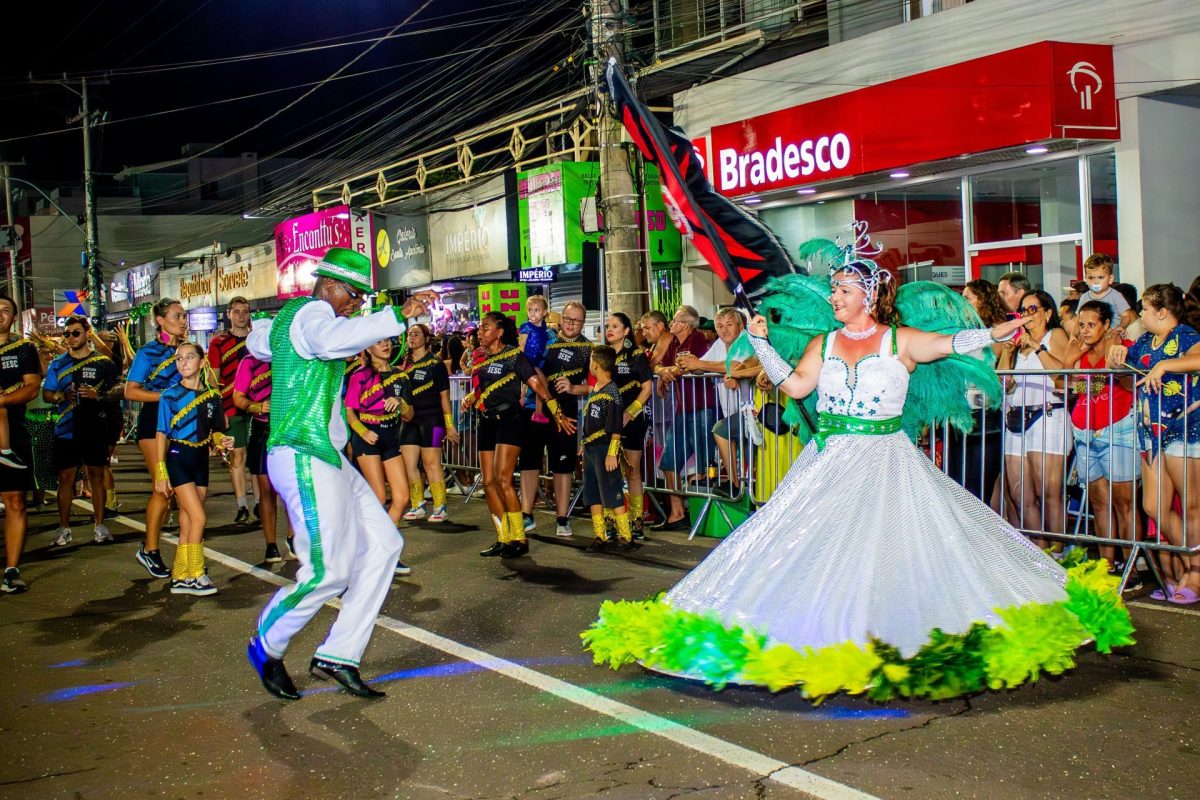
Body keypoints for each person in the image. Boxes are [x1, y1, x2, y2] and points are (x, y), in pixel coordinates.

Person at [582, 246, 1133, 701]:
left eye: (844, 290)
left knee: (893, 549)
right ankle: (822, 635)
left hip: (888, 460)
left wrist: (1001, 331)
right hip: (830, 461)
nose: (835, 297)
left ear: (868, 296)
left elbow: (951, 344)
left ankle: (893, 636)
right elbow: (796, 387)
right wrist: (767, 345)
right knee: (810, 547)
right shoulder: (824, 343)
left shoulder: (899, 341)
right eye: (835, 290)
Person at [245, 247, 425, 701]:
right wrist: (395, 316)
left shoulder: (295, 320)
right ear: (328, 285)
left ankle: (339, 654)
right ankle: (267, 643)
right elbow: (327, 340)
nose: (357, 303)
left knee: (385, 544)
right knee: (327, 569)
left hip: (324, 454)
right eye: (354, 294)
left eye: (363, 298)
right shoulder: (311, 314)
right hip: (302, 451)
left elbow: (259, 341)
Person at [1109, 283, 1200, 605]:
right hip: (1151, 433)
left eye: (1146, 309)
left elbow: (1197, 359)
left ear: (1162, 312)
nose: (1142, 314)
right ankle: (1192, 562)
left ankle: (1195, 571)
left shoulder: (1185, 335)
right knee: (1153, 506)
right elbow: (1124, 378)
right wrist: (1117, 358)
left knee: (1191, 507)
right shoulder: (1147, 340)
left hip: (1185, 429)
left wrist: (1164, 365)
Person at [461, 311, 575, 558]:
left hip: (511, 421)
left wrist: (556, 411)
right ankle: (503, 537)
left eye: (485, 328)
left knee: (503, 479)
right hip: (486, 421)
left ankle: (519, 539)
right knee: (489, 481)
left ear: (499, 332)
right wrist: (471, 398)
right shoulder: (480, 358)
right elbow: (484, 388)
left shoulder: (515, 356)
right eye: (480, 328)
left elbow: (537, 385)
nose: (480, 332)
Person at [1064, 300, 1137, 572]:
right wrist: (1071, 358)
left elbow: (1130, 384)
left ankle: (1131, 565)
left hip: (1117, 431)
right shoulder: (1079, 350)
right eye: (1081, 324)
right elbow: (1064, 382)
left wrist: (1110, 360)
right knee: (1099, 501)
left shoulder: (1120, 347)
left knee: (1123, 502)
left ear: (1107, 325)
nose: (1084, 330)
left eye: (1091, 324)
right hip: (1085, 433)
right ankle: (1107, 564)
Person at [996, 289, 1072, 549]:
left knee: (1048, 492)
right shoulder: (1019, 344)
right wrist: (1007, 352)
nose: (1026, 316)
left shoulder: (1056, 336)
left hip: (1049, 415)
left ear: (1048, 313)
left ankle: (1059, 551)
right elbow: (1005, 384)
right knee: (1020, 493)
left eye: (1032, 309)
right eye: (1023, 311)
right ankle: (1040, 551)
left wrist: (1038, 348)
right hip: (1017, 419)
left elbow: (1063, 376)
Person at [155, 342, 232, 596]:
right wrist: (160, 470)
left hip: (201, 459)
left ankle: (180, 575)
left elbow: (216, 430)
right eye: (179, 358)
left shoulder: (213, 395)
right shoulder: (169, 395)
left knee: (189, 519)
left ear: (202, 361)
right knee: (199, 517)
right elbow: (161, 434)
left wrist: (223, 440)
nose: (183, 362)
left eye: (189, 357)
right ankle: (197, 573)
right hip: (178, 457)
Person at [43, 315, 120, 547]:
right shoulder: (58, 363)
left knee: (96, 476)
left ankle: (100, 525)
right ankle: (64, 528)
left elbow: (119, 387)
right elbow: (47, 394)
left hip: (95, 426)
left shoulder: (102, 362)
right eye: (66, 334)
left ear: (87, 333)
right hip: (66, 428)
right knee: (65, 479)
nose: (70, 338)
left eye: (75, 333)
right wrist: (60, 396)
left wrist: (101, 395)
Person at [125, 298, 186, 579]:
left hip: (183, 423)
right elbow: (131, 391)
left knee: (183, 489)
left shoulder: (188, 351)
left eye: (184, 316)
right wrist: (166, 396)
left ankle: (188, 559)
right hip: (153, 423)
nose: (182, 320)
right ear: (161, 320)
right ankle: (149, 549)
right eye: (176, 316)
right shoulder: (147, 353)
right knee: (163, 487)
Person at [518, 302, 591, 537]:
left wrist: (573, 387)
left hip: (566, 412)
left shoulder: (588, 348)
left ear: (583, 323)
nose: (571, 324)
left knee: (563, 466)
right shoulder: (545, 338)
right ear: (560, 319)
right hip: (535, 408)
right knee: (530, 462)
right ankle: (526, 515)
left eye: (576, 321)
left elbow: (595, 384)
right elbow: (526, 363)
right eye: (568, 319)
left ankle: (562, 518)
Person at [677, 308, 759, 497]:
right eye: (720, 326)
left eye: (729, 324)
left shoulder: (747, 340)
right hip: (735, 411)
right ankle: (742, 490)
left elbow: (736, 366)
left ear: (741, 325)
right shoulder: (718, 344)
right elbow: (701, 366)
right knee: (749, 456)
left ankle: (735, 485)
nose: (724, 330)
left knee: (721, 431)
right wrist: (684, 366)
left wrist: (700, 365)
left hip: (754, 409)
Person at [653, 305, 717, 531]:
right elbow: (661, 364)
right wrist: (663, 373)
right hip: (683, 409)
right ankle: (676, 512)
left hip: (703, 407)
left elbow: (691, 365)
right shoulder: (674, 342)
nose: (672, 323)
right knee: (669, 461)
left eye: (676, 320)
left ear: (687, 324)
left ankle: (706, 515)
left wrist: (669, 371)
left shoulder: (697, 338)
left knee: (705, 461)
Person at [345, 338, 415, 536]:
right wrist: (363, 432)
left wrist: (400, 401)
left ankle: (382, 544)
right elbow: (349, 412)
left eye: (387, 341)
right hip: (368, 438)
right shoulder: (359, 376)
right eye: (379, 342)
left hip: (391, 438)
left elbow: (409, 415)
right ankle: (371, 545)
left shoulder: (400, 375)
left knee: (401, 498)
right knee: (379, 497)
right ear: (368, 347)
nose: (385, 345)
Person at [950, 279, 1009, 502]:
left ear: (982, 300)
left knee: (977, 481)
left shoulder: (997, 330)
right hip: (960, 411)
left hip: (985, 413)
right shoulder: (962, 330)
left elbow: (990, 363)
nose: (962, 302)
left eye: (968, 298)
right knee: (956, 480)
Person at [233, 350, 294, 564]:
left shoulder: (288, 356)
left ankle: (293, 537)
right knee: (267, 491)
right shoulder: (249, 362)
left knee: (290, 489)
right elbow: (237, 396)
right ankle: (271, 545)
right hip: (262, 429)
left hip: (288, 429)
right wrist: (257, 406)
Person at [0, 295, 41, 593]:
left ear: (14, 318)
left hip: (13, 431)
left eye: (5, 311)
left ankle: (11, 570)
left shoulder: (24, 349)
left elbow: (31, 387)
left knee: (15, 500)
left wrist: (1, 400)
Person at [399, 323, 459, 523]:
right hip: (409, 420)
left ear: (426, 338)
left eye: (416, 334)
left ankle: (440, 505)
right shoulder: (403, 363)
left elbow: (444, 397)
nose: (412, 338)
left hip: (433, 420)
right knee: (409, 464)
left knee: (431, 463)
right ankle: (418, 504)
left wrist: (449, 425)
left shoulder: (435, 364)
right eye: (409, 334)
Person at [579, 345, 634, 552]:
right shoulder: (596, 390)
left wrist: (613, 453)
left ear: (595, 365)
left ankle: (625, 536)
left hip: (604, 448)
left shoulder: (613, 393)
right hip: (591, 448)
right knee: (593, 493)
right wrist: (583, 444)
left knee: (613, 491)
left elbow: (616, 427)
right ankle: (599, 535)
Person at [207, 296, 255, 525]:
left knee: (257, 457)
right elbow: (212, 379)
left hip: (258, 405)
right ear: (228, 314)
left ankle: (259, 504)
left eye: (245, 311)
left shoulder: (258, 340)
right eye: (236, 311)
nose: (241, 316)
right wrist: (218, 411)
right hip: (229, 405)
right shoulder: (218, 343)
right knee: (237, 455)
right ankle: (242, 506)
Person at [606, 313, 653, 540]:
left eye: (615, 326)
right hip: (606, 420)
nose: (610, 329)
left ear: (626, 331)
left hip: (631, 421)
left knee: (632, 471)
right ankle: (612, 520)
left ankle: (636, 521)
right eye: (608, 326)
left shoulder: (636, 355)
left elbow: (647, 389)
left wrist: (630, 413)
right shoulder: (602, 355)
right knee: (608, 472)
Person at [519, 295, 553, 424]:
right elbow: (521, 345)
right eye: (530, 310)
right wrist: (521, 362)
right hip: (528, 360)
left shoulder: (544, 327)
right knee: (542, 384)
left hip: (538, 360)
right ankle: (536, 411)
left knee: (541, 385)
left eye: (536, 310)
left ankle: (537, 411)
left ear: (544, 312)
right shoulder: (526, 326)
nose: (532, 313)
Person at [1082, 254, 1137, 332]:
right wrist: (1073, 335)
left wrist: (1120, 327)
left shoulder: (1116, 295)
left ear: (1110, 279)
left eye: (1100, 277)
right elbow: (1078, 319)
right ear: (1086, 279)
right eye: (1091, 278)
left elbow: (1126, 316)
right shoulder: (1084, 297)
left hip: (1111, 336)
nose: (1095, 282)